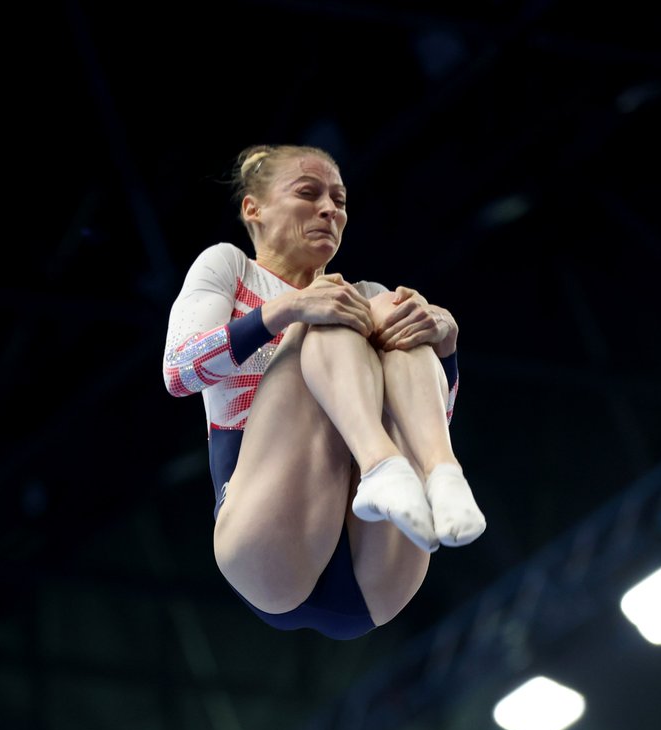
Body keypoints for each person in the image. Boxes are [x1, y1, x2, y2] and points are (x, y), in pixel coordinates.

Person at [162, 143, 486, 641]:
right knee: (334, 310)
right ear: (254, 209)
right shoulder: (229, 267)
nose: (329, 209)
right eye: (309, 193)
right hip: (268, 541)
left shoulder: (363, 297)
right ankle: (380, 465)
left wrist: (446, 347)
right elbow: (180, 372)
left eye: (339, 200)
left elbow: (431, 417)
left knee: (391, 311)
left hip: (379, 570)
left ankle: (444, 477)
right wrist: (285, 311)